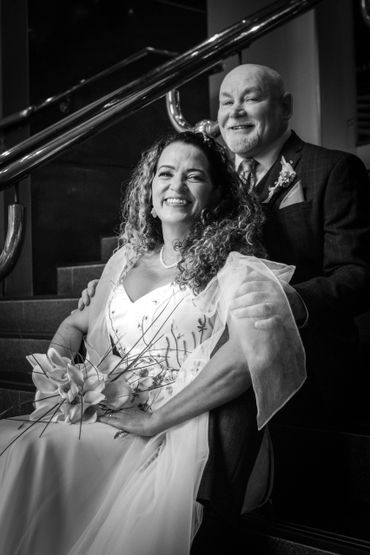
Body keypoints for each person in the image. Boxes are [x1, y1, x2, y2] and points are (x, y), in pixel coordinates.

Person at [0, 132, 305, 555]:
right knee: (13, 444)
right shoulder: (123, 259)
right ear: (150, 187)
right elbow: (77, 322)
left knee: (39, 454)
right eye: (166, 173)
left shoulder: (238, 269)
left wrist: (153, 422)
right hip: (107, 411)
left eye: (193, 176)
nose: (176, 186)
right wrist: (54, 380)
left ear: (216, 194)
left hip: (181, 431)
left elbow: (248, 359)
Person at [217, 63, 370, 426]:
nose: (235, 111)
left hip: (308, 371)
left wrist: (295, 301)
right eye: (226, 102)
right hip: (218, 363)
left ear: (285, 107)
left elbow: (359, 274)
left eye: (250, 98)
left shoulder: (334, 169)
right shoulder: (213, 181)